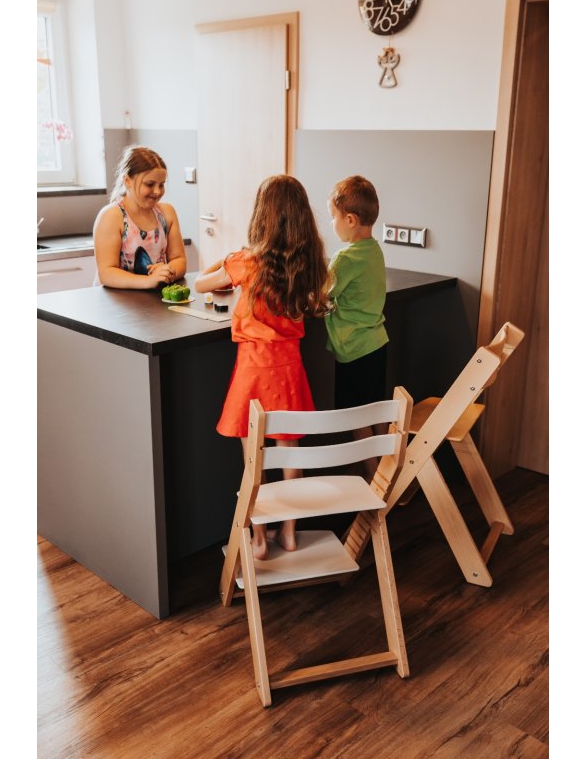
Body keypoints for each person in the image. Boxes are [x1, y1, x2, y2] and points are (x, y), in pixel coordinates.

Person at [194, 175, 330, 560]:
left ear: (261, 216)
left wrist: (229, 261)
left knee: (254, 460)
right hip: (289, 370)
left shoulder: (247, 262)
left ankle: (258, 538)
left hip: (253, 370)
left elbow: (201, 284)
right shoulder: (308, 264)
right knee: (290, 455)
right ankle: (289, 532)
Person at [325, 175, 390, 480]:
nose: (331, 224)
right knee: (376, 409)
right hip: (377, 342)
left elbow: (322, 294)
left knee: (356, 415)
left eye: (332, 217)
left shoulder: (345, 258)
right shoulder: (374, 250)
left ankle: (374, 476)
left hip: (353, 349)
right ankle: (389, 468)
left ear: (349, 219)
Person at [93, 146, 187, 289]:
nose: (157, 191)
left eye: (161, 185)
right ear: (127, 181)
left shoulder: (168, 213)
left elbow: (179, 260)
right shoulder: (111, 216)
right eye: (150, 184)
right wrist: (149, 281)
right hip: (114, 300)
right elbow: (106, 273)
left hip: (151, 298)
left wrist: (168, 271)